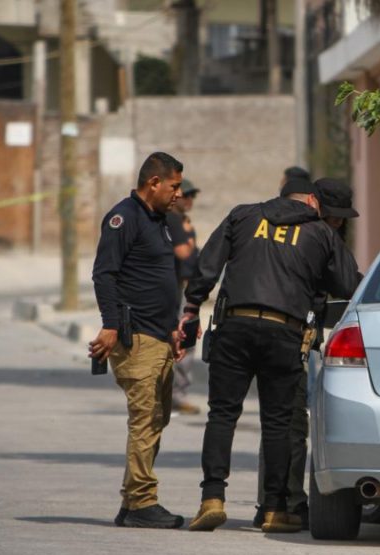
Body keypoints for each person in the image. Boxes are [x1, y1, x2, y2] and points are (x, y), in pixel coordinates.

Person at [179, 177, 360, 533]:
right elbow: (348, 284)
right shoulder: (320, 233)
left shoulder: (243, 216)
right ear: (313, 201)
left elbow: (208, 265)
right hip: (285, 332)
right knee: (277, 422)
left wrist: (191, 307)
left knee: (222, 414)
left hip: (235, 325)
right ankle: (276, 509)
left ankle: (212, 498)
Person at [252, 177, 360, 529]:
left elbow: (344, 283)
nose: (338, 224)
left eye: (343, 219)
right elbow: (346, 283)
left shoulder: (315, 236)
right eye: (334, 216)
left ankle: (276, 501)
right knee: (289, 424)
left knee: (284, 423)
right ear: (317, 207)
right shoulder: (312, 236)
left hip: (301, 338)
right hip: (289, 340)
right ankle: (284, 503)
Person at [88, 151, 188, 529]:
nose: (178, 193)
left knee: (156, 420)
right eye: (174, 186)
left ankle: (133, 503)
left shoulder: (158, 220)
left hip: (159, 337)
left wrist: (173, 329)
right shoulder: (123, 218)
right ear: (154, 183)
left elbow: (156, 281)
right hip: (136, 338)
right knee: (144, 420)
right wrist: (110, 325)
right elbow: (104, 274)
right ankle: (143, 502)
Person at [166, 179, 203, 415]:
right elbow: (184, 254)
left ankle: (174, 394)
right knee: (183, 341)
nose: (189, 200)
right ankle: (175, 395)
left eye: (192, 195)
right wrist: (188, 237)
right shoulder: (174, 221)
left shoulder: (182, 221)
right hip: (172, 291)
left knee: (183, 341)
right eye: (186, 195)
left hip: (182, 289)